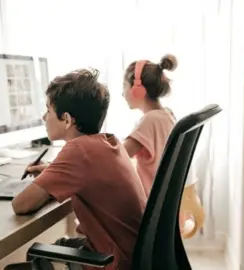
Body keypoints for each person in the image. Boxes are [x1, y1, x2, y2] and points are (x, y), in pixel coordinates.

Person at [11, 69, 146, 270]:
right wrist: (53, 173)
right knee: (52, 249)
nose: (43, 117)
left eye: (48, 111)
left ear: (66, 119)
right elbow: (88, 175)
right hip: (131, 255)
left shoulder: (78, 152)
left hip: (112, 262)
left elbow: (21, 205)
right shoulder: (108, 143)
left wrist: (49, 179)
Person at [121, 54, 200, 235]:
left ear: (137, 89)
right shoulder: (166, 115)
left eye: (123, 86)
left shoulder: (150, 121)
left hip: (149, 210)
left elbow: (118, 155)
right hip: (167, 210)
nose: (122, 93)